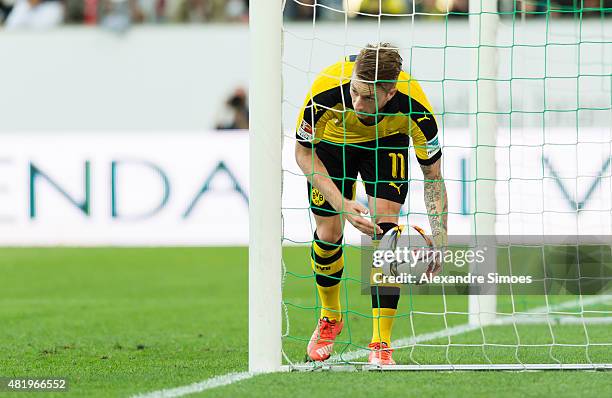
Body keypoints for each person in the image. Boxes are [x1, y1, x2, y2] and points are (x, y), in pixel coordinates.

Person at [294, 43, 448, 365]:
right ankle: (330, 317)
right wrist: (343, 203)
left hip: (385, 141)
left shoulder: (414, 105)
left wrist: (442, 240)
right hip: (333, 144)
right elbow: (303, 153)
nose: (358, 103)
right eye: (355, 92)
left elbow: (433, 177)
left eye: (368, 97)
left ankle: (381, 342)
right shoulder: (325, 91)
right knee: (328, 231)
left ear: (390, 93)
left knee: (386, 230)